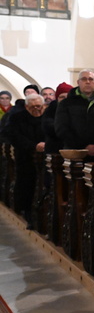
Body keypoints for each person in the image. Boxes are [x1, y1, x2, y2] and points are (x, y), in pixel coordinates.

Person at [7, 93, 46, 221]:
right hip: (25, 155)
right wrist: (33, 146)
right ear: (26, 107)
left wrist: (46, 144)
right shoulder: (17, 118)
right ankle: (26, 210)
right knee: (26, 183)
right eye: (32, 107)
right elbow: (14, 136)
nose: (36, 109)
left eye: (38, 106)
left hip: (46, 156)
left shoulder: (47, 117)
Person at [54, 70, 94, 158]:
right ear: (78, 82)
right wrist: (84, 146)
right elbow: (61, 128)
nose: (88, 82)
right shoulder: (66, 103)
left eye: (91, 79)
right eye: (84, 79)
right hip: (74, 151)